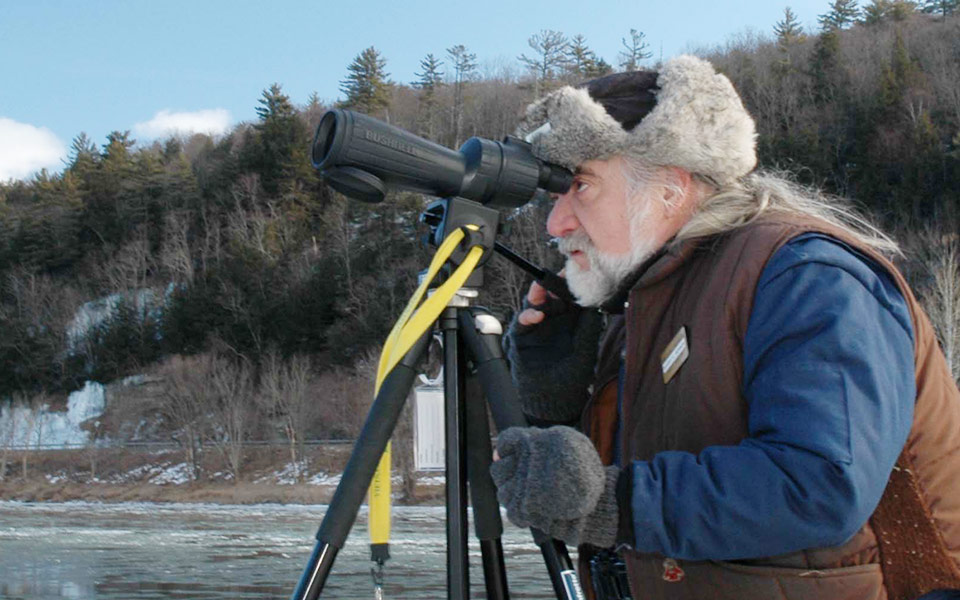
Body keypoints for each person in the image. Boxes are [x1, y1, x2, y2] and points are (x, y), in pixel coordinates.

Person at [489, 55, 960, 600]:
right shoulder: (641, 303)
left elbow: (820, 484)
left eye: (582, 186)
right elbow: (632, 464)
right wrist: (555, 399)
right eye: (555, 197)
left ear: (670, 183)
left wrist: (613, 505)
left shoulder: (804, 275)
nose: (556, 224)